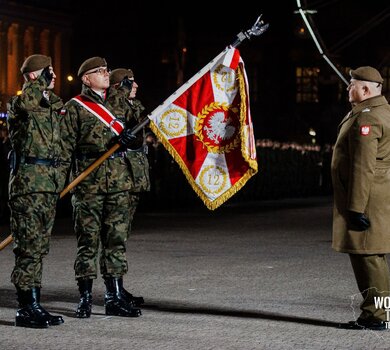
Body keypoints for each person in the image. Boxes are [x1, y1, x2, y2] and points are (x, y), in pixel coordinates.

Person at [62, 57, 144, 319]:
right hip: (88, 184)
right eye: (99, 71)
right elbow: (65, 147)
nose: (106, 74)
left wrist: (131, 135)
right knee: (88, 242)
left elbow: (139, 124)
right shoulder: (74, 107)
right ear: (86, 78)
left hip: (119, 181)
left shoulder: (117, 102)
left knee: (115, 241)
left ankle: (114, 296)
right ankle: (85, 297)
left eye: (107, 70)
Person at [7, 54, 68, 328]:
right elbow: (26, 103)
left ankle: (34, 303)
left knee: (40, 247)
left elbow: (63, 148)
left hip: (48, 185)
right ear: (33, 75)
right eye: (48, 72)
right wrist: (36, 85)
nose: (54, 76)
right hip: (28, 185)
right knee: (28, 248)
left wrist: (60, 178)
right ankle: (25, 308)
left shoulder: (54, 106)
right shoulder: (20, 104)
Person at [331, 66, 390, 331]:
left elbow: (363, 166)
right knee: (371, 256)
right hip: (375, 194)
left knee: (368, 257)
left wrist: (355, 208)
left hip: (365, 197)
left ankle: (377, 317)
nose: (347, 87)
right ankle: (377, 313)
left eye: (351, 84)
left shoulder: (368, 118)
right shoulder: (380, 111)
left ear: (365, 89)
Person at [109, 68, 150, 224]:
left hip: (137, 170)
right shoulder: (114, 105)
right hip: (122, 170)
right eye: (130, 82)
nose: (136, 86)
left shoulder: (136, 105)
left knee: (127, 220)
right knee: (117, 220)